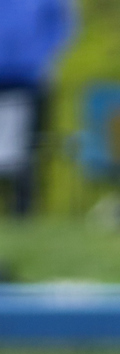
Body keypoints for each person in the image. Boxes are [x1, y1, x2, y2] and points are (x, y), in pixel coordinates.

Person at [0, 0, 75, 214]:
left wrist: (42, 61)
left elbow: (62, 27)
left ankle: (22, 211)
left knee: (26, 150)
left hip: (28, 80)